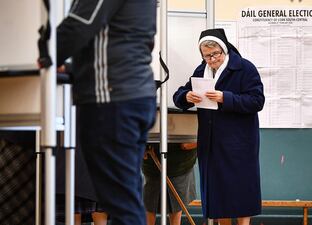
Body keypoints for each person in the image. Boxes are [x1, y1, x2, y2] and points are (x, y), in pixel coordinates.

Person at [56, 1, 157, 224]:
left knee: (121, 203)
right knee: (125, 198)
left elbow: (78, 26)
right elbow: (121, 42)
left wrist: (44, 56)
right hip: (134, 95)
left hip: (112, 100)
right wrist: (73, 69)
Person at [173, 28, 265, 225]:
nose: (212, 59)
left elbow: (257, 101)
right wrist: (186, 97)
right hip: (212, 144)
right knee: (219, 193)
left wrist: (226, 98)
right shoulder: (201, 71)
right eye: (207, 56)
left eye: (215, 54)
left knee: (240, 191)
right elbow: (179, 95)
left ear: (224, 50)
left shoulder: (245, 68)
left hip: (238, 143)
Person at [142, 143, 197, 225]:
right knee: (149, 204)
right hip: (152, 159)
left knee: (175, 204)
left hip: (180, 162)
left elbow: (185, 145)